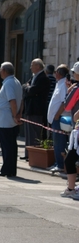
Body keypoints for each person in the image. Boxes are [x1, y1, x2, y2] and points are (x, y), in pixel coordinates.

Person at [0, 62, 22, 177]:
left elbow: (13, 101)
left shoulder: (9, 83)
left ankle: (6, 169)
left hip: (6, 120)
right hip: (9, 119)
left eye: (0, 69)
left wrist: (15, 115)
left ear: (4, 70)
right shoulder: (16, 82)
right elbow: (21, 100)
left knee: (7, 146)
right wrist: (18, 113)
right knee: (11, 145)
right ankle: (10, 169)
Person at [21, 58, 50, 161]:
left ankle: (33, 154)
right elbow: (24, 86)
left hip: (36, 109)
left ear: (38, 66)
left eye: (32, 65)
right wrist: (27, 88)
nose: (30, 67)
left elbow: (31, 90)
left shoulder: (43, 78)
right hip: (30, 108)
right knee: (28, 132)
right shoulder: (34, 77)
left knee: (34, 132)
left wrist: (27, 88)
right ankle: (28, 153)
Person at [47, 64, 69, 172]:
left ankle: (60, 165)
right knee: (56, 141)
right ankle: (58, 163)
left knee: (59, 142)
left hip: (59, 118)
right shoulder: (59, 83)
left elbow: (64, 102)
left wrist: (57, 115)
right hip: (55, 118)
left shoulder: (63, 84)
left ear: (59, 73)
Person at [62, 62, 79, 199]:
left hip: (78, 130)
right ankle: (71, 188)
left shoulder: (77, 88)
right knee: (71, 159)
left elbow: (67, 106)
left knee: (70, 159)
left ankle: (71, 188)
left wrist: (69, 90)